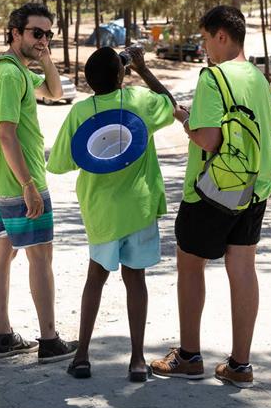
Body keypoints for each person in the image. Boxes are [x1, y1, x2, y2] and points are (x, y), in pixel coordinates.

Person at [151, 5, 271, 386]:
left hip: (210, 191)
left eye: (206, 38)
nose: (204, 47)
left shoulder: (213, 78)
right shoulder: (258, 77)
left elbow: (207, 138)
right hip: (254, 188)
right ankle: (240, 365)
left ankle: (189, 356)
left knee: (190, 266)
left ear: (222, 35)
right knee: (242, 268)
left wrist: (185, 119)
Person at [47, 46, 183, 382]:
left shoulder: (80, 112)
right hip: (138, 206)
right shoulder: (138, 100)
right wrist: (144, 68)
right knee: (135, 279)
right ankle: (137, 361)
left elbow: (60, 163)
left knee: (96, 278)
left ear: (89, 81)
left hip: (101, 211)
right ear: (122, 75)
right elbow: (171, 104)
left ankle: (81, 356)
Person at [0, 2, 77, 364]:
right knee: (41, 254)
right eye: (36, 33)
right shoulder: (8, 75)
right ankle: (49, 340)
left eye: (48, 34)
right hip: (19, 179)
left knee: (3, 252)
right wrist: (27, 184)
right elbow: (6, 134)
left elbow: (55, 92)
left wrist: (46, 56)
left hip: (0, 177)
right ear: (15, 33)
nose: (43, 39)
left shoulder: (18, 71)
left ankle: (4, 337)